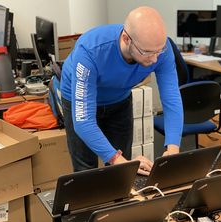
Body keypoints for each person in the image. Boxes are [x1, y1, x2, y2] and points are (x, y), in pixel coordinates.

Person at [60, 6, 184, 175]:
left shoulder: (161, 49)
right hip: (77, 97)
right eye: (147, 52)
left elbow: (172, 100)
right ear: (126, 39)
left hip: (119, 100)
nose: (155, 59)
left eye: (158, 51)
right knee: (86, 171)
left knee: (122, 172)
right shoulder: (90, 50)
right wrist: (116, 159)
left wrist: (173, 149)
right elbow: (84, 122)